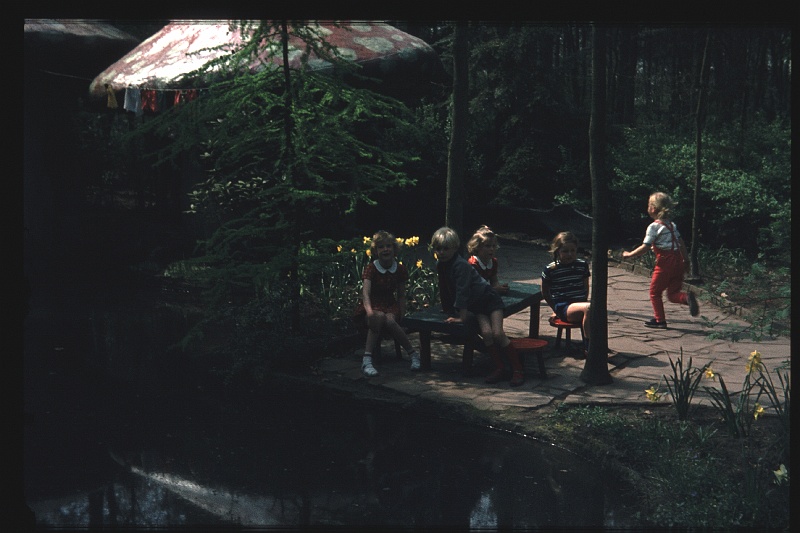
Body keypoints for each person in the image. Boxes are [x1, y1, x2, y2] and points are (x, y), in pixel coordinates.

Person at [430, 227, 524, 386]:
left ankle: (517, 369)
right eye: (438, 249)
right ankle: (499, 368)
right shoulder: (442, 264)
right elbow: (444, 286)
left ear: (454, 248)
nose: (441, 252)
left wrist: (462, 316)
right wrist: (447, 308)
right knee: (486, 333)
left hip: (489, 299)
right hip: (476, 305)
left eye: (446, 249)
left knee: (497, 333)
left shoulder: (460, 266)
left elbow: (462, 291)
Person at [622, 192, 699, 328]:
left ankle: (660, 320)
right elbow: (680, 243)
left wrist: (629, 255)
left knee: (655, 292)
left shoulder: (654, 227)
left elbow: (645, 247)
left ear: (653, 208)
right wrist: (686, 261)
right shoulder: (672, 225)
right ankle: (686, 298)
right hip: (678, 262)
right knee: (673, 293)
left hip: (665, 264)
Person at [354, 230, 421, 376]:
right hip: (373, 305)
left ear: (394, 249)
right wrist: (370, 312)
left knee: (390, 321)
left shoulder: (400, 269)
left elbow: (401, 295)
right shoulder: (371, 268)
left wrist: (402, 313)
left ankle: (413, 355)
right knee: (378, 318)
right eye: (381, 247)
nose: (385, 249)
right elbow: (365, 293)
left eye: (388, 246)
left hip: (390, 305)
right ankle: (367, 361)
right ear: (376, 250)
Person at [540, 231, 591, 356]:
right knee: (589, 308)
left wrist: (583, 300)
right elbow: (545, 292)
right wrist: (555, 308)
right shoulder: (551, 269)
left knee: (594, 310)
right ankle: (589, 348)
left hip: (580, 304)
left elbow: (585, 286)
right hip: (564, 306)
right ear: (557, 251)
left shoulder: (582, 265)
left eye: (572, 250)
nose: (570, 254)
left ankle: (598, 344)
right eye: (565, 251)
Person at [467, 225, 509, 295]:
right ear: (477, 247)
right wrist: (494, 290)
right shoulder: (473, 264)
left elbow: (494, 280)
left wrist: (500, 287)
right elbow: (475, 287)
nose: (492, 249)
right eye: (488, 246)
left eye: (493, 246)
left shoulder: (493, 262)